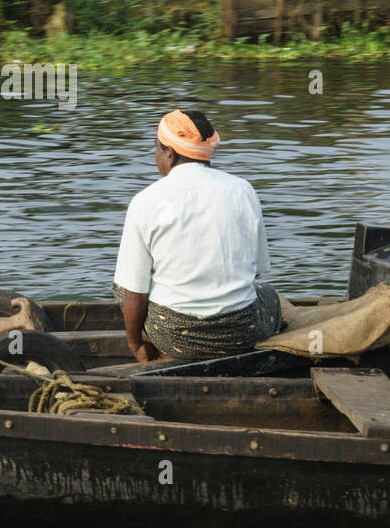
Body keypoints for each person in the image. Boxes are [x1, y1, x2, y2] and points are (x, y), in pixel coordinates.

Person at [112, 109, 281, 363]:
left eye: (156, 149)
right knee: (268, 295)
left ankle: (164, 351)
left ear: (169, 152)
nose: (156, 156)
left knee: (122, 286)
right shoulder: (243, 190)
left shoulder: (145, 201)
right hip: (240, 334)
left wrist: (134, 344)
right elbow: (256, 269)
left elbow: (134, 292)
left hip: (174, 337)